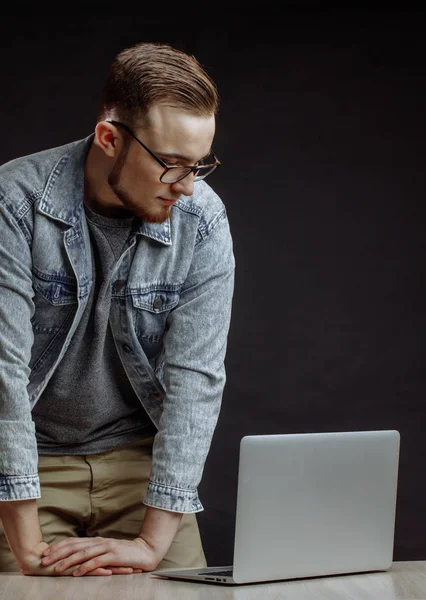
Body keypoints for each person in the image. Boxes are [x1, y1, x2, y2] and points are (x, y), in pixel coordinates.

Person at [0, 42, 235, 576]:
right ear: (109, 138)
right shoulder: (13, 202)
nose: (187, 186)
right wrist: (28, 549)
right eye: (171, 165)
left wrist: (152, 545)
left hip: (139, 464)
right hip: (29, 466)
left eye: (200, 165)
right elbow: (2, 377)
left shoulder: (201, 218)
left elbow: (196, 379)